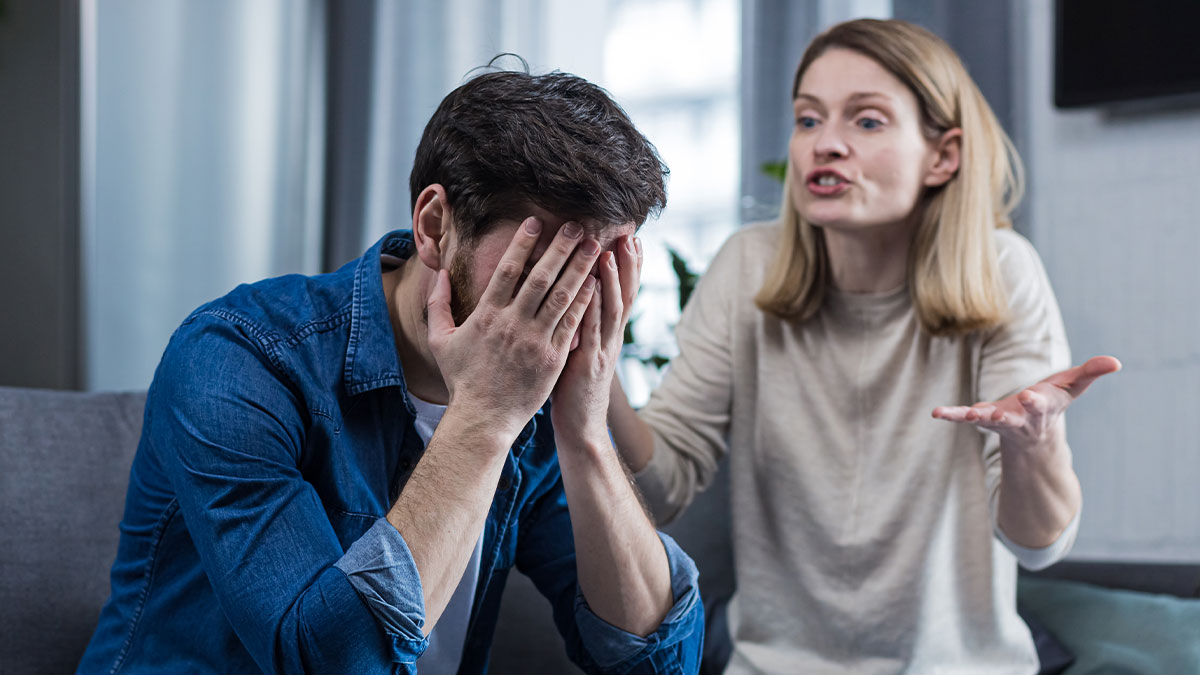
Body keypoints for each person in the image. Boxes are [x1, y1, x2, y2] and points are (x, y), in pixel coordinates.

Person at [78, 69, 703, 674]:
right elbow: (332, 662)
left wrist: (587, 431)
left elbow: (660, 665)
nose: (566, 305)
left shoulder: (541, 389)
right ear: (435, 226)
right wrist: (484, 416)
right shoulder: (238, 355)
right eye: (543, 269)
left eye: (600, 270)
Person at [607, 18, 1120, 674]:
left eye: (867, 122)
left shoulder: (1003, 270)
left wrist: (1033, 443)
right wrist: (600, 382)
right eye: (809, 120)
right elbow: (661, 488)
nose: (827, 145)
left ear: (945, 155)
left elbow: (1038, 545)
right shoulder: (747, 268)